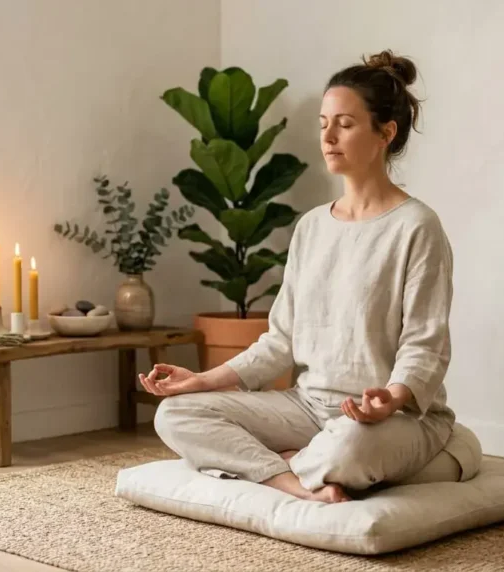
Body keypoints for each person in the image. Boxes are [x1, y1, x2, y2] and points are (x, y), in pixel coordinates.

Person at [141, 49, 456, 504]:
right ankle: (292, 480)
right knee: (175, 414)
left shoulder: (417, 226)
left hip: (392, 420)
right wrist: (202, 381)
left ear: (385, 133)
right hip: (306, 407)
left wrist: (391, 397)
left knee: (350, 446)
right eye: (324, 123)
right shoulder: (312, 227)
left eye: (345, 124)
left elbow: (425, 344)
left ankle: (289, 462)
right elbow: (280, 342)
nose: (328, 137)